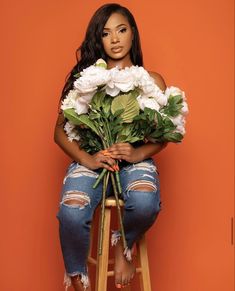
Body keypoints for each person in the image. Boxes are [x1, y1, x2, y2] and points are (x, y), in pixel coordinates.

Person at [54, 3, 168, 291]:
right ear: (99, 39)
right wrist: (88, 159)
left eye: (121, 30)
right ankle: (78, 279)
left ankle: (124, 245)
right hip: (96, 160)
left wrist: (138, 152)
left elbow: (165, 133)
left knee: (144, 203)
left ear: (133, 34)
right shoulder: (88, 81)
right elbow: (59, 132)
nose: (115, 39)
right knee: (72, 211)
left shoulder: (150, 81)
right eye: (106, 33)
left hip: (133, 161)